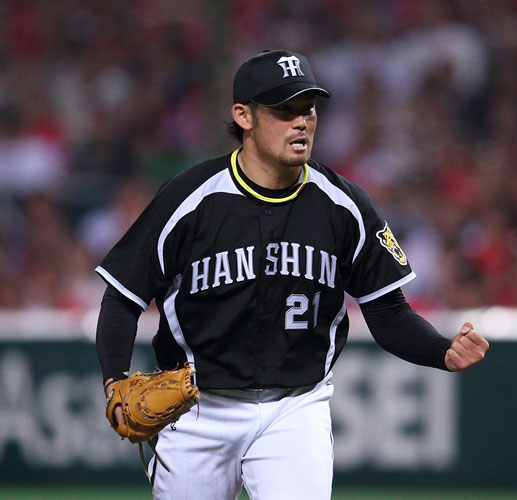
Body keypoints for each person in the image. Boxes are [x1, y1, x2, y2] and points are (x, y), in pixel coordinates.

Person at [95, 49, 489, 500]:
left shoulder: (343, 205)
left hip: (296, 408)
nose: (301, 122)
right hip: (198, 409)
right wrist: (114, 380)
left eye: (309, 109)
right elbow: (122, 297)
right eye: (284, 111)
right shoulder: (189, 199)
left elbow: (387, 312)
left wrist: (442, 350)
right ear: (244, 116)